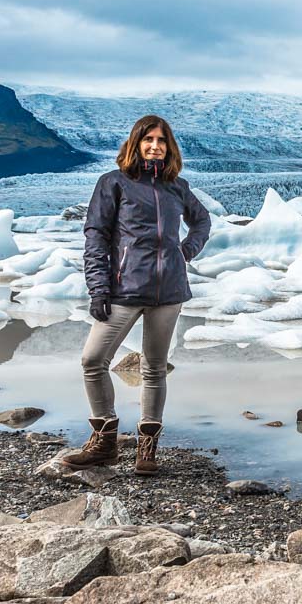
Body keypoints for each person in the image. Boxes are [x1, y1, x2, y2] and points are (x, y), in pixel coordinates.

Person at [63, 114, 211, 476]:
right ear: (135, 143)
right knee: (93, 360)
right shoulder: (114, 183)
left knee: (154, 368)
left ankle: (147, 448)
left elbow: (202, 221)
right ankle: (105, 440)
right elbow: (95, 237)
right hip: (124, 289)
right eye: (148, 139)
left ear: (169, 146)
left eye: (161, 140)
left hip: (169, 292)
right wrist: (98, 288)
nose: (155, 146)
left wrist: (184, 251)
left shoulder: (177, 186)